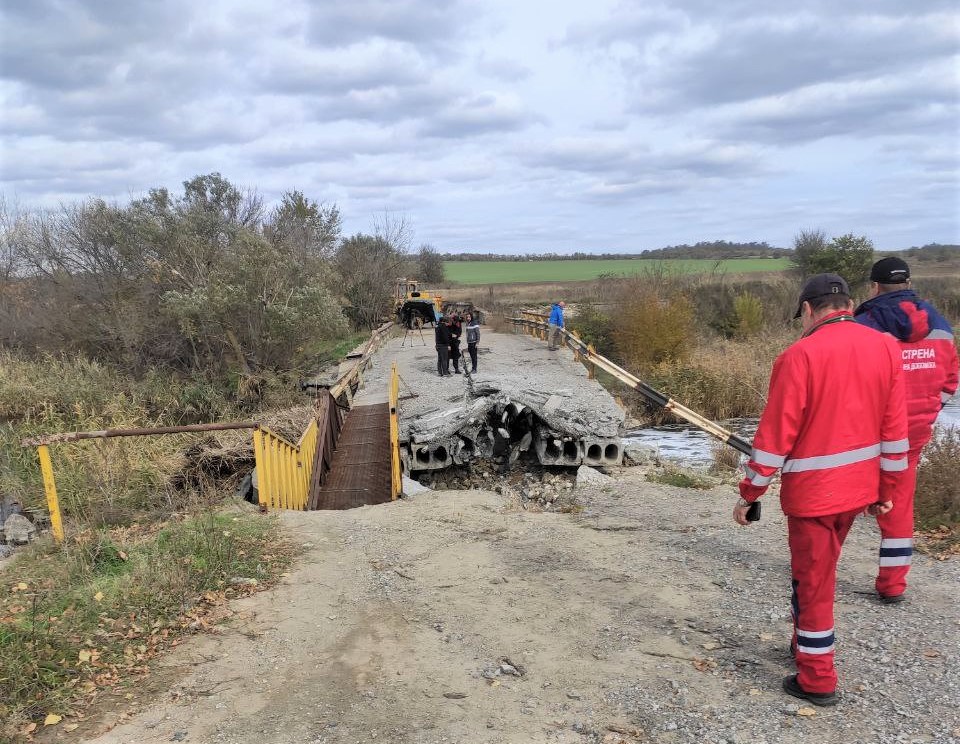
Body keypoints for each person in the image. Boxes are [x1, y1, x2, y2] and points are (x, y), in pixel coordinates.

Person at [734, 273, 908, 707]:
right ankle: (804, 646)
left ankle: (817, 677)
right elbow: (895, 429)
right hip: (860, 489)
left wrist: (750, 493)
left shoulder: (799, 356)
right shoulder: (885, 346)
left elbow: (774, 440)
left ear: (809, 310)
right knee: (819, 575)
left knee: (813, 583)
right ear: (849, 305)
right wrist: (886, 488)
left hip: (814, 495)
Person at [853, 257, 959, 602]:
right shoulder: (940, 323)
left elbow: (851, 381)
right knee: (899, 505)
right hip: (913, 433)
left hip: (866, 431)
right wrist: (929, 412)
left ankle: (819, 573)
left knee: (841, 499)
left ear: (874, 287)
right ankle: (893, 585)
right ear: (910, 283)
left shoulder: (864, 324)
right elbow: (951, 379)